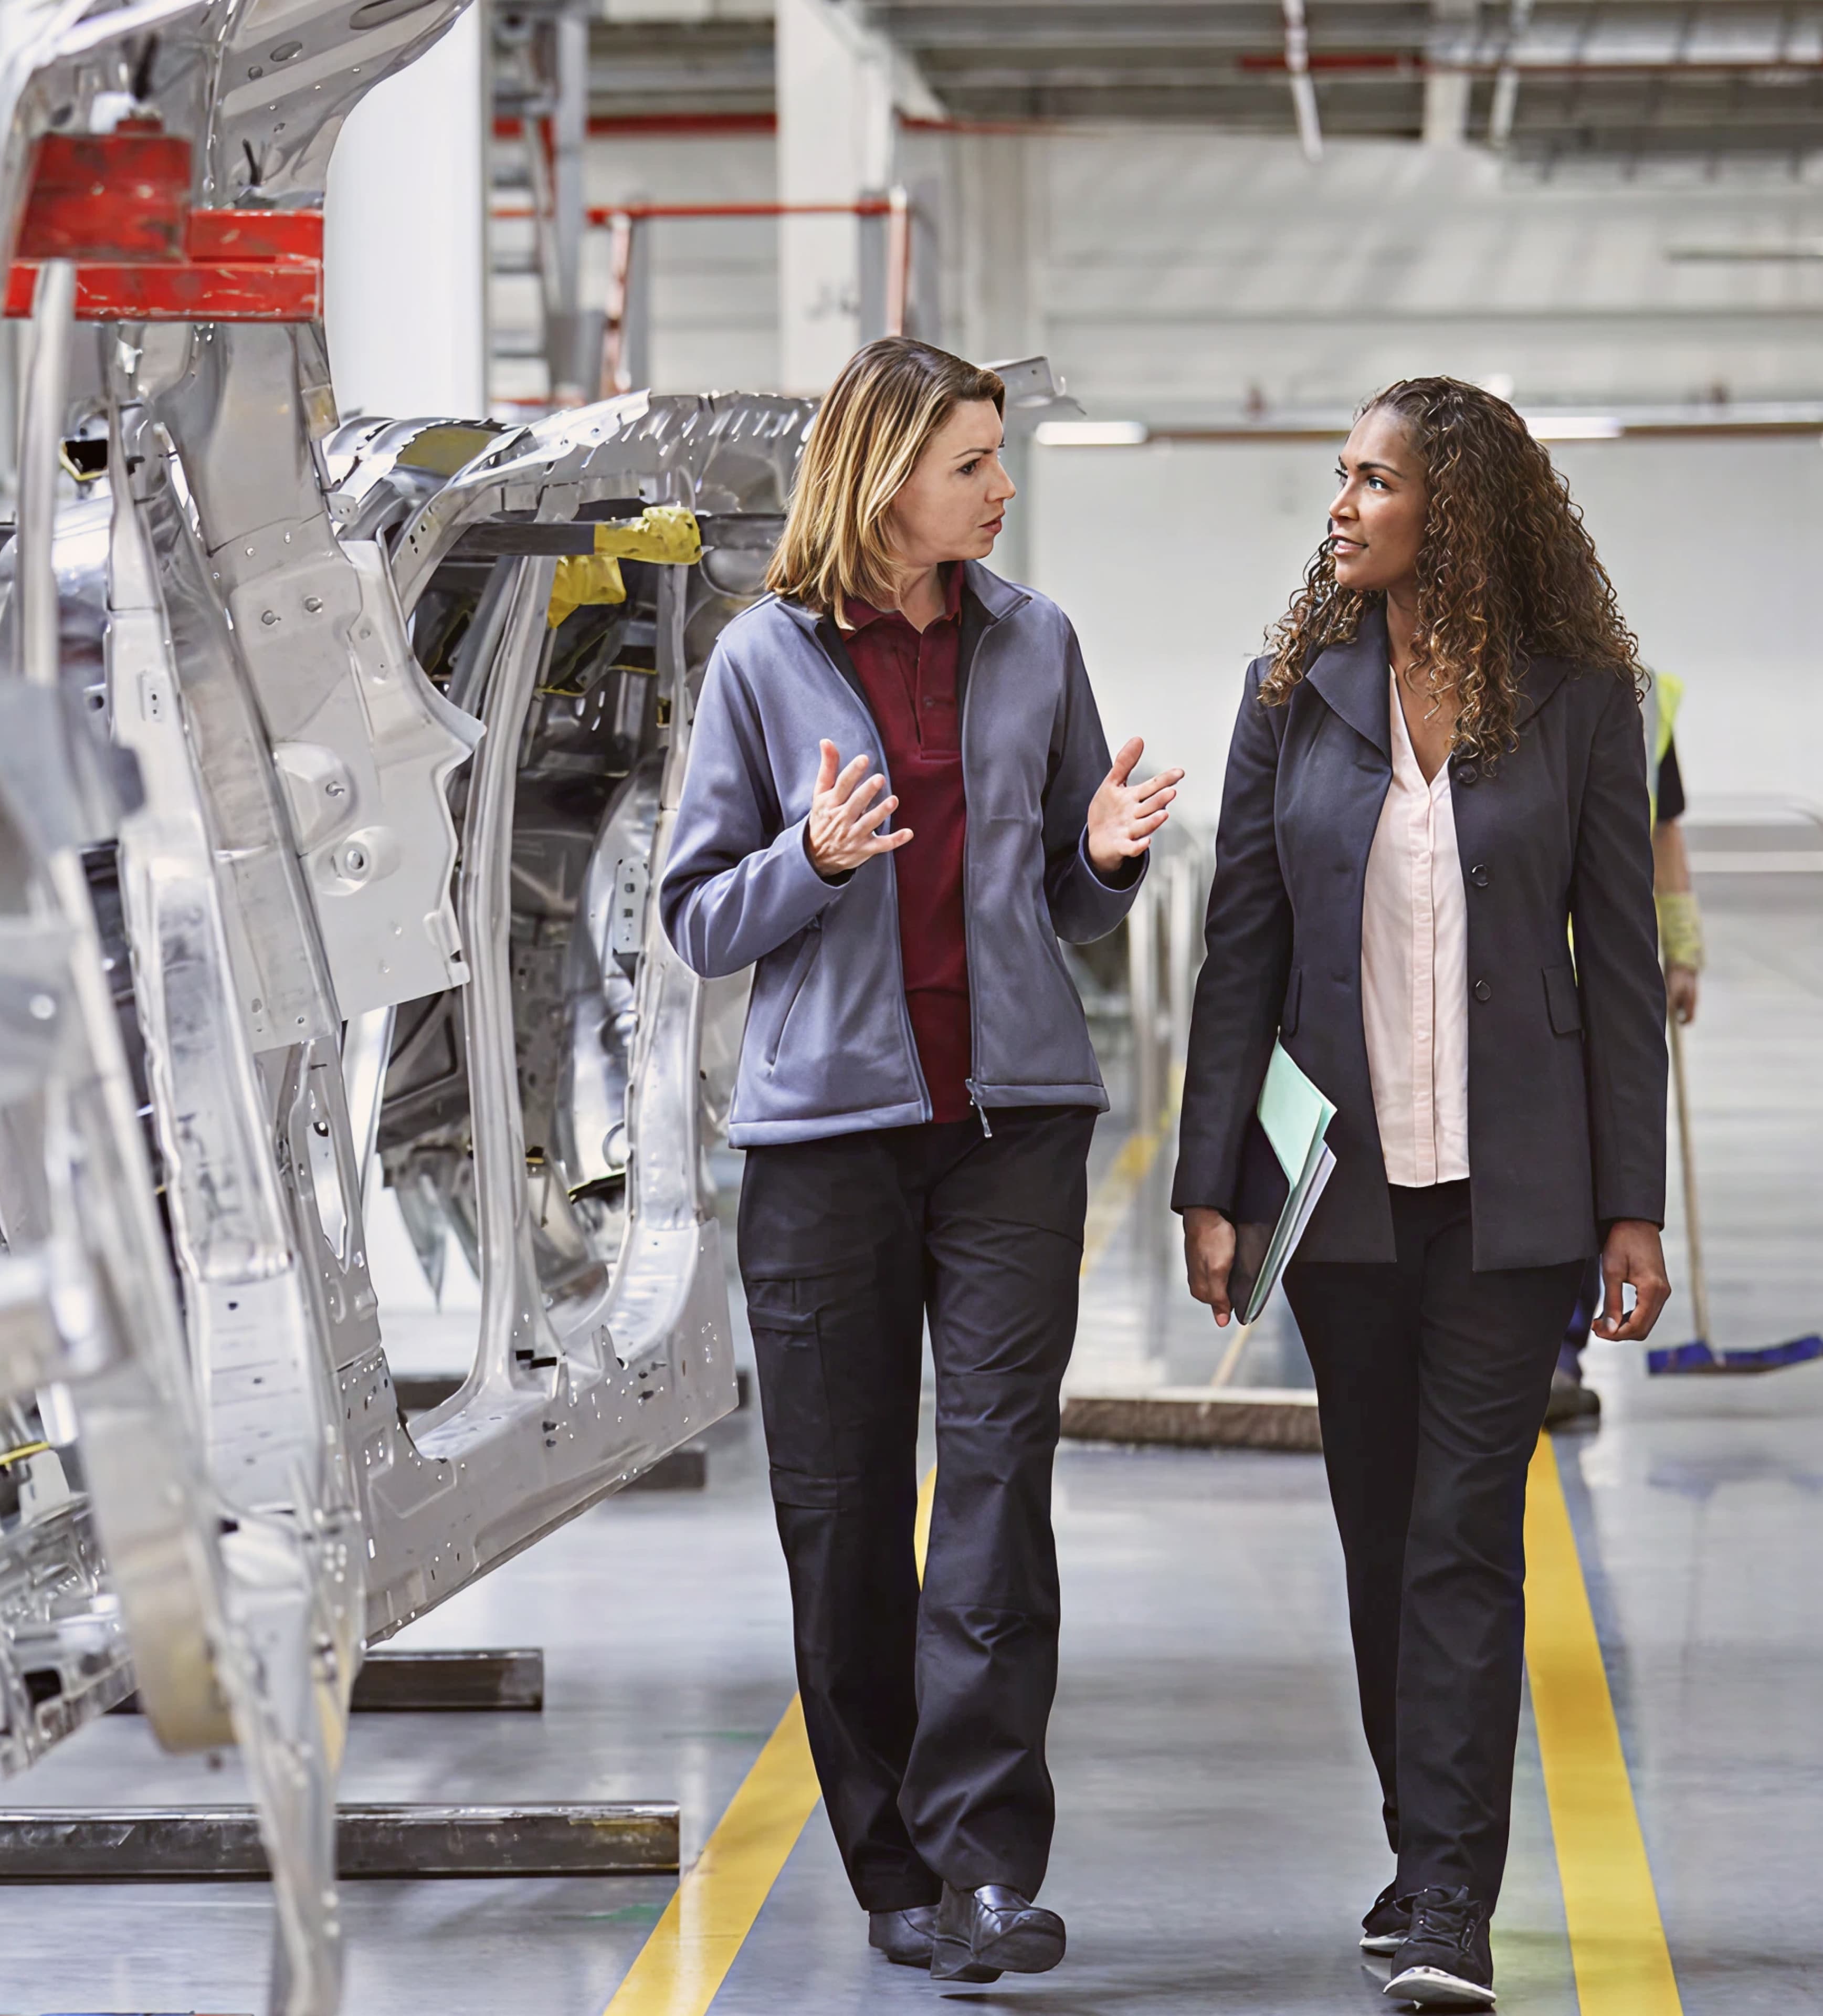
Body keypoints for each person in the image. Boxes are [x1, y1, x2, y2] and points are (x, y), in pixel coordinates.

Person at [660, 337, 1181, 1985]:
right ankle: (888, 1866)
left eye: (998, 459)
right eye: (974, 463)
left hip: (1014, 1127)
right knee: (842, 1508)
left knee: (998, 1489)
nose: (1001, 487)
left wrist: (1100, 860)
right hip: (826, 1141)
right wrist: (808, 862)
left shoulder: (1037, 643)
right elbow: (693, 917)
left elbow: (1070, 903)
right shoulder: (759, 661)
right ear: (888, 479)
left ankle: (986, 1868)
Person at [1173, 377, 1670, 2011]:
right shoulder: (1291, 699)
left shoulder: (1588, 701)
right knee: (1381, 1536)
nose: (1342, 504)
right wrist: (1208, 1186)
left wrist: (1632, 1207)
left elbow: (1612, 968)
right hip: (1344, 1200)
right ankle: (1418, 1853)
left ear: (1450, 508)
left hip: (1515, 1197)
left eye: (1372, 480)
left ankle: (1453, 1896)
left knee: (1465, 1533)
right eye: (1341, 477)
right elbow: (1241, 948)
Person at [1548, 689, 1701, 1424]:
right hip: (1532, 971)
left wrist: (1683, 952)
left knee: (1593, 1168)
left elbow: (1663, 835)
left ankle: (1560, 1353)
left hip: (1608, 971)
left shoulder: (1642, 696)